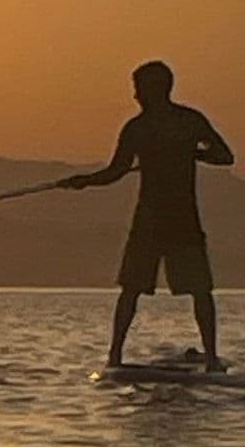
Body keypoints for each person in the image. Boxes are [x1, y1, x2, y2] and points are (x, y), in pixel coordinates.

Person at [58, 61, 234, 372]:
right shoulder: (171, 124)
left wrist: (190, 153)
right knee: (139, 289)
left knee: (187, 289)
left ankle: (207, 358)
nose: (135, 96)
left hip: (170, 220)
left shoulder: (158, 125)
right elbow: (116, 172)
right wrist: (83, 181)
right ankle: (120, 357)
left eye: (139, 88)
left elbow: (224, 156)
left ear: (154, 89)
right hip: (156, 220)